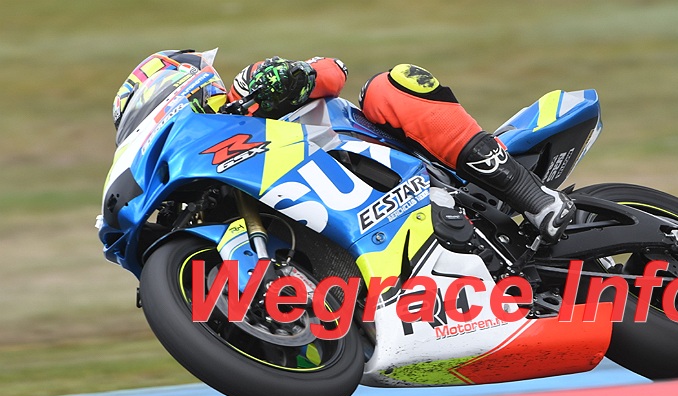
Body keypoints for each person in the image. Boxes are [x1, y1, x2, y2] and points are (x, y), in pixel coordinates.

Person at [113, 51, 575, 243]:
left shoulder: (247, 91)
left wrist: (289, 78)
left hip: (400, 167)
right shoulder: (198, 181)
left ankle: (535, 199)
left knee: (389, 85)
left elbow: (333, 70)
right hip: (338, 230)